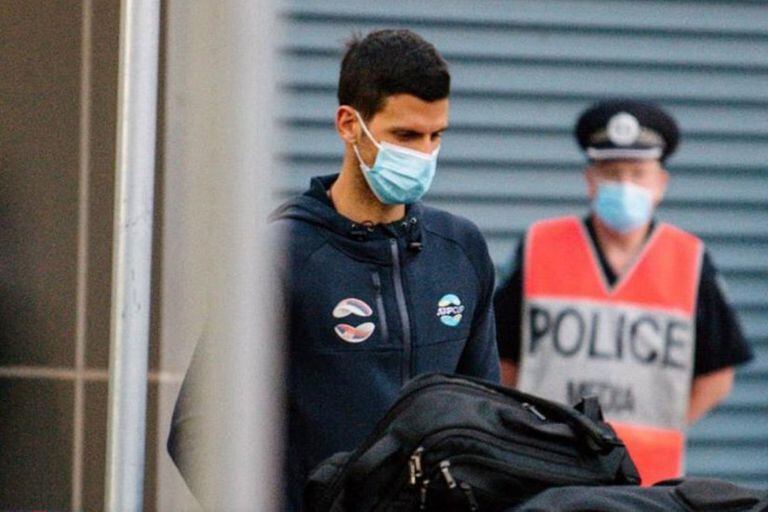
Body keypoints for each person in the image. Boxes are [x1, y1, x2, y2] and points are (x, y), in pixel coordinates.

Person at [168, 29, 500, 510]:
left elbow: (485, 422)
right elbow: (197, 430)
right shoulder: (279, 256)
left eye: (435, 136)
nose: (424, 155)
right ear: (348, 124)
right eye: (405, 136)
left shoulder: (461, 251)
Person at [493, 99, 753, 486]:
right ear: (590, 180)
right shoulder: (539, 246)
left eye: (638, 173)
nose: (625, 185)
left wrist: (661, 425)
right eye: (612, 173)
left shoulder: (689, 259)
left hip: (650, 480)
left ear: (660, 184)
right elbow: (500, 360)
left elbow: (716, 377)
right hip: (546, 472)